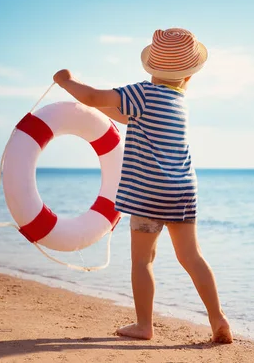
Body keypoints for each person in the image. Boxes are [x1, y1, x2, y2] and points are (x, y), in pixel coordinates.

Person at [52, 28, 233, 343]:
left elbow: (95, 97)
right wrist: (91, 105)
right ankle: (218, 318)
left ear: (150, 69)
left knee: (142, 260)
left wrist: (66, 82)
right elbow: (119, 114)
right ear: (188, 77)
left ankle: (144, 325)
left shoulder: (142, 94)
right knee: (192, 257)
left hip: (149, 193)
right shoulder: (177, 103)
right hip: (183, 192)